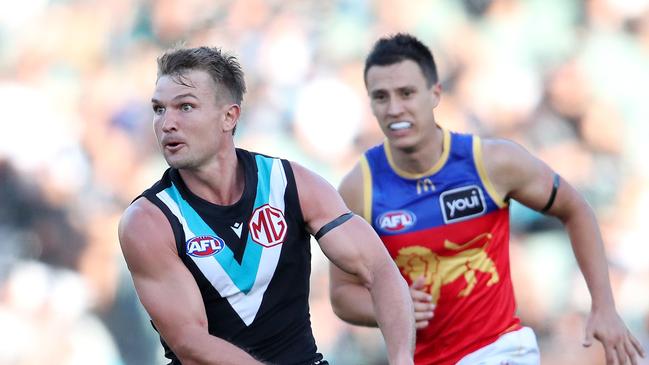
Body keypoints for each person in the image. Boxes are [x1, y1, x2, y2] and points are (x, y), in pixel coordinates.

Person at [329, 33, 646, 365]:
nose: (394, 109)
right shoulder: (359, 189)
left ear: (435, 93)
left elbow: (576, 208)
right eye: (381, 97)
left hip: (501, 351)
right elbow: (342, 294)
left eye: (406, 93)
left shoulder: (490, 163)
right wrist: (393, 305)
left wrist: (604, 307)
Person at [118, 46, 415, 365]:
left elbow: (380, 269)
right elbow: (191, 344)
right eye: (159, 109)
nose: (166, 123)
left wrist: (401, 358)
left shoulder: (291, 185)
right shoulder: (149, 221)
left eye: (185, 107)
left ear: (229, 116)